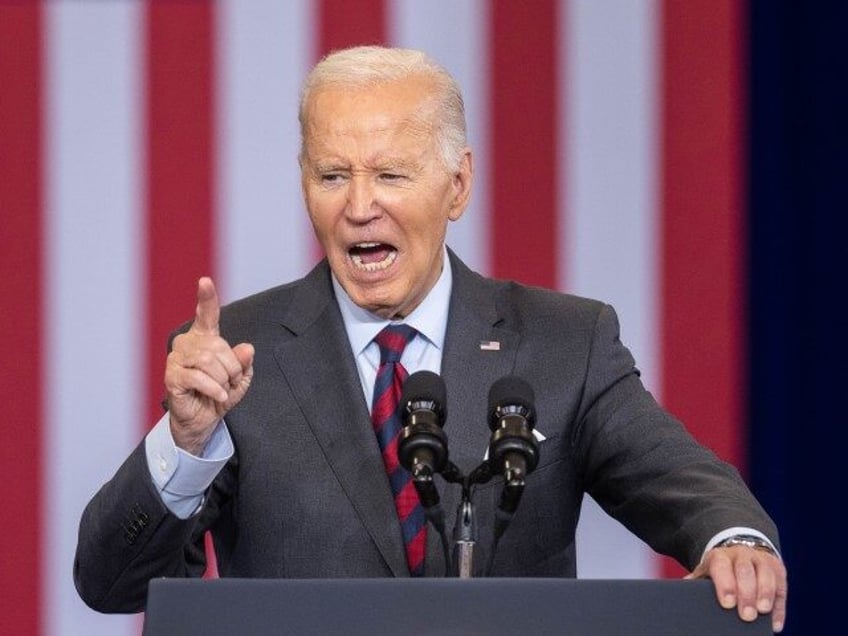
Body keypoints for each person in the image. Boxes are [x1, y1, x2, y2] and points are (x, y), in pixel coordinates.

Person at [74, 45, 787, 631]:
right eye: (331, 175)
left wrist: (737, 543)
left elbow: (687, 485)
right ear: (303, 183)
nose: (359, 207)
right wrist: (186, 441)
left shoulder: (565, 343)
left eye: (390, 174)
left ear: (458, 184)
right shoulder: (238, 355)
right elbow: (110, 583)